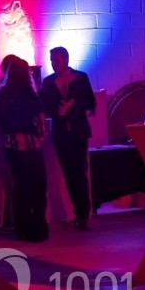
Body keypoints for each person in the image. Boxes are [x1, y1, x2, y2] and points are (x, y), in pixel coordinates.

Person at [0, 58, 48, 243]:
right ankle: (37, 228)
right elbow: (40, 123)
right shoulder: (30, 95)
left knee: (20, 186)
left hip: (11, 146)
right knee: (38, 187)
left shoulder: (2, 94)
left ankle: (21, 227)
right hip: (30, 146)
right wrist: (39, 137)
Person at [40, 47, 96, 230]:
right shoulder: (48, 82)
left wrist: (73, 105)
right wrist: (58, 110)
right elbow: (45, 107)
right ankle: (78, 213)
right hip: (61, 133)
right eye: (51, 60)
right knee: (69, 173)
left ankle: (84, 214)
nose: (53, 63)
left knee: (80, 172)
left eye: (56, 60)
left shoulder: (80, 78)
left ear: (66, 59)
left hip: (78, 131)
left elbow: (91, 103)